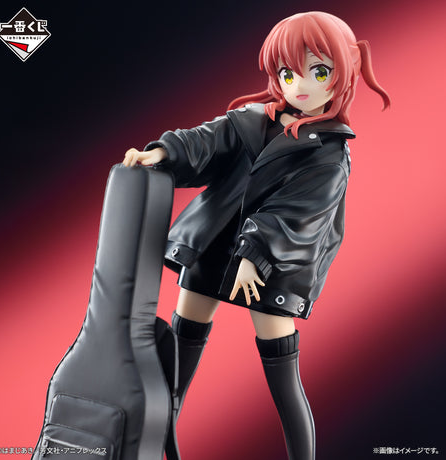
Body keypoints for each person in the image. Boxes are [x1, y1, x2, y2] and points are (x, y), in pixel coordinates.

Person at [123, 11, 389, 460]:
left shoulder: (330, 154)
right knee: (173, 379)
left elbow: (299, 213)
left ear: (344, 72)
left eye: (318, 72)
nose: (299, 85)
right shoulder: (251, 121)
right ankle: (161, 453)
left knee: (282, 380)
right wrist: (164, 151)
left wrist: (255, 253)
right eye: (287, 73)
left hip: (272, 265)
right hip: (213, 247)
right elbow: (205, 141)